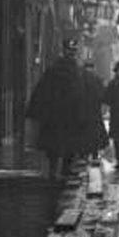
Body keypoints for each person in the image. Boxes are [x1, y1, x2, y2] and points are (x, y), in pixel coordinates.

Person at [26, 39, 92, 180]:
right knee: (63, 144)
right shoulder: (68, 71)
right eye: (71, 51)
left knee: (59, 144)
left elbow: (42, 91)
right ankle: (60, 170)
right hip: (64, 115)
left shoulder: (62, 70)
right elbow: (79, 94)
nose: (72, 54)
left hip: (61, 115)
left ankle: (57, 169)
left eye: (73, 51)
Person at [81, 61, 108, 159]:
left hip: (82, 111)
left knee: (83, 133)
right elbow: (104, 95)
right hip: (94, 110)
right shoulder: (97, 79)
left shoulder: (79, 78)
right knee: (95, 133)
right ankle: (94, 153)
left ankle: (83, 154)